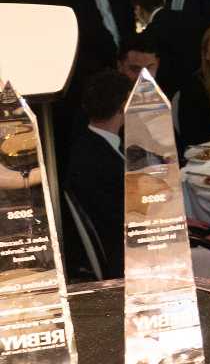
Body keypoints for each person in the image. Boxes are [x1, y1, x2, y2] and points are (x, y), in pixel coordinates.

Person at [66, 69, 131, 278]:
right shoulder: (96, 159)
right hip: (127, 255)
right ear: (124, 106)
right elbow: (120, 219)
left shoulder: (88, 145)